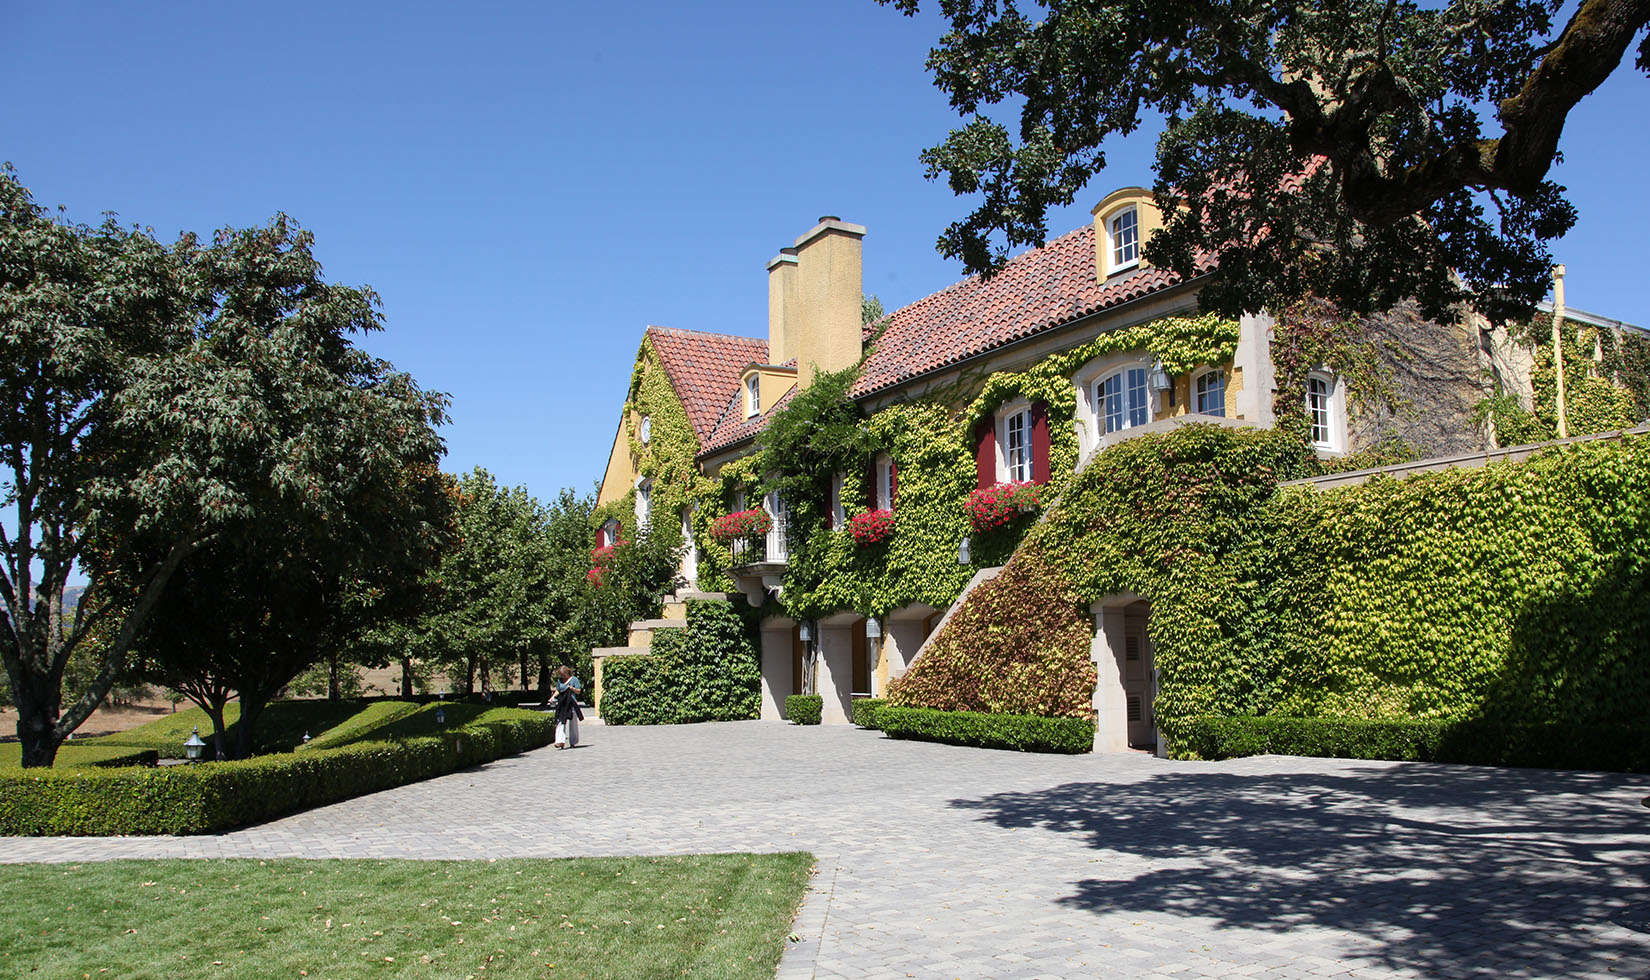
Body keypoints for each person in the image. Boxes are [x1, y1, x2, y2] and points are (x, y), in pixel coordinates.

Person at [552, 665, 583, 749]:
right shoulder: (560, 681)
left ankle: (573, 741)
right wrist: (552, 698)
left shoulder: (574, 679)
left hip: (571, 703)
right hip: (562, 703)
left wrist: (572, 688)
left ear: (567, 673)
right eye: (560, 675)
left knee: (573, 723)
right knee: (560, 721)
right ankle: (560, 741)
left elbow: (578, 691)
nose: (562, 676)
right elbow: (558, 690)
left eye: (563, 674)